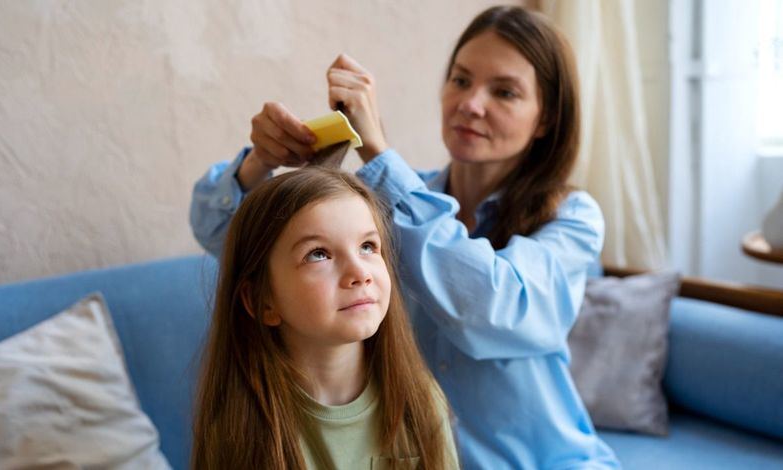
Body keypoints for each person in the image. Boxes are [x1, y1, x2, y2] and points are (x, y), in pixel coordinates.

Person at [190, 5, 620, 469]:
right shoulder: (395, 202)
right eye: (460, 80)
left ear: (546, 119)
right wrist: (259, 161)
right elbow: (223, 236)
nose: (471, 104)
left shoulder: (573, 217)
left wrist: (378, 150)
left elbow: (496, 308)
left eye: (504, 92)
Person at [191, 167, 459, 469]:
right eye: (318, 254)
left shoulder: (421, 401)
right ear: (261, 301)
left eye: (368, 246)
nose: (360, 273)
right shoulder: (236, 429)